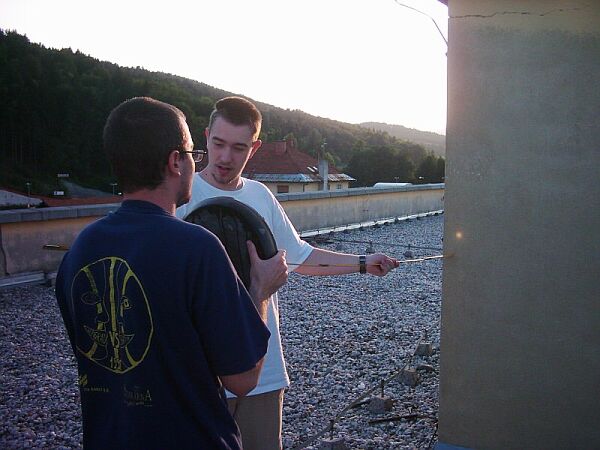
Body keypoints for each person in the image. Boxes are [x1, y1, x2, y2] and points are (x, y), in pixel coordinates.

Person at [54, 97, 288, 450]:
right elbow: (243, 378)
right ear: (175, 161)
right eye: (193, 154)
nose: (197, 164)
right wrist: (260, 291)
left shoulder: (81, 249)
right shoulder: (198, 248)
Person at [176, 96, 399, 450]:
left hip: (261, 370)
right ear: (206, 136)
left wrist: (362, 262)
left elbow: (301, 257)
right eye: (218, 144)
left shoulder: (262, 197)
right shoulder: (181, 196)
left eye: (238, 148)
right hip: (197, 374)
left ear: (255, 148)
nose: (225, 157)